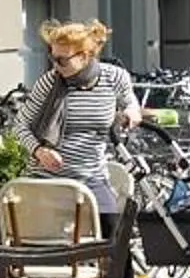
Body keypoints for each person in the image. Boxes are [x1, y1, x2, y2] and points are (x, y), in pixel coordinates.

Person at [10, 20, 141, 218]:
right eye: (52, 58)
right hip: (46, 179)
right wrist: (39, 151)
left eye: (62, 60)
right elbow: (20, 125)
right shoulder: (49, 83)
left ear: (85, 56)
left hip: (91, 177)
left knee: (112, 232)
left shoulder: (114, 78)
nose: (56, 66)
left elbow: (131, 103)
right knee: (47, 239)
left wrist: (131, 112)